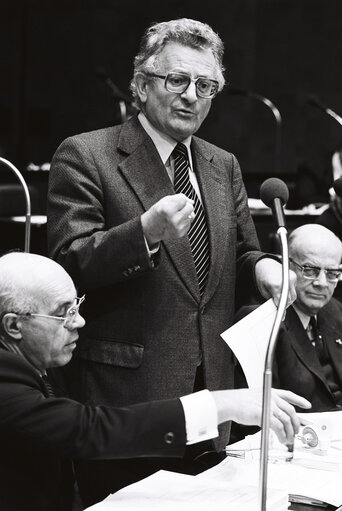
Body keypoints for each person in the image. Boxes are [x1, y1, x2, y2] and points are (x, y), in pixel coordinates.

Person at [47, 17, 296, 505]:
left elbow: (241, 252)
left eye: (206, 85)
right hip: (128, 400)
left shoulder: (221, 164)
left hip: (213, 400)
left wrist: (263, 267)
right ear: (141, 85)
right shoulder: (87, 154)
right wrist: (143, 234)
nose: (191, 95)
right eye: (177, 80)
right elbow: (67, 264)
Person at [0, 251, 309, 511]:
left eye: (76, 306)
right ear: (13, 325)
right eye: (63, 313)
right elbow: (87, 429)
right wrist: (219, 404)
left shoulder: (44, 357)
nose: (79, 321)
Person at [236, 224, 342, 412]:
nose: (322, 283)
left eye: (332, 273)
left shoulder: (335, 309)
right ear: (283, 263)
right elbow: (258, 415)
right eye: (309, 270)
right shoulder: (259, 321)